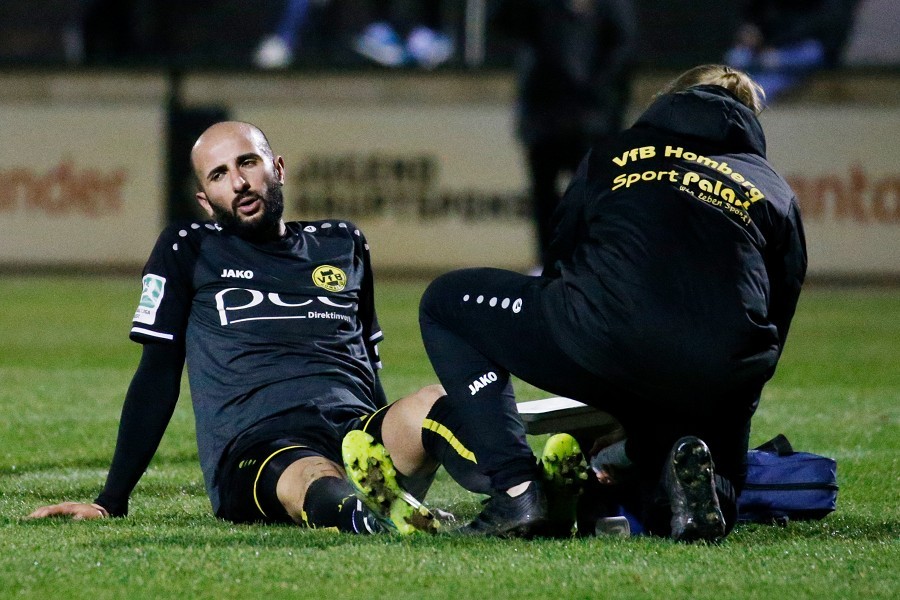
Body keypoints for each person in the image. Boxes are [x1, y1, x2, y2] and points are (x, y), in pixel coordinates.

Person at [418, 65, 807, 541]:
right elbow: (776, 318)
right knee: (690, 453)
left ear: (669, 100)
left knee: (445, 303)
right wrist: (721, 413)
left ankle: (517, 491)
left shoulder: (616, 153)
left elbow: (563, 258)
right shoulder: (773, 187)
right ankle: (697, 482)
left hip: (608, 337)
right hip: (720, 372)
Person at [28, 121, 451, 535]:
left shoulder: (342, 242)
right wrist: (110, 500)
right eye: (219, 175)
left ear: (278, 169)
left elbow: (364, 362)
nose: (239, 182)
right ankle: (366, 516)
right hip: (262, 446)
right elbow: (157, 374)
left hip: (357, 435)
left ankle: (511, 500)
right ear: (206, 200)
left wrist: (387, 433)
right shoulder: (189, 247)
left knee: (436, 401)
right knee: (311, 474)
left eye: (247, 163)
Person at [490, 0, 637, 268]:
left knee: (592, 197)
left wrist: (598, 95)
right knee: (545, 197)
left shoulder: (611, 7)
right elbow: (504, 22)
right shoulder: (541, 9)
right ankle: (548, 265)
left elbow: (624, 49)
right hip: (545, 117)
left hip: (593, 121)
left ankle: (592, 264)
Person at [724, 0, 859, 100]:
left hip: (803, 50)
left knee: (808, 53)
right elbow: (753, 14)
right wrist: (752, 30)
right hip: (767, 49)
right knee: (737, 56)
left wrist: (776, 47)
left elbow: (827, 24)